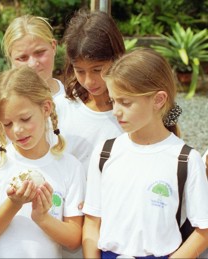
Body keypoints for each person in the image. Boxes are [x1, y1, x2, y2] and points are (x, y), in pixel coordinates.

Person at [82, 48, 208, 258]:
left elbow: (203, 229)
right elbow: (92, 222)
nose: (115, 111)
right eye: (114, 100)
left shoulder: (185, 159)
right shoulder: (105, 152)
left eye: (125, 102)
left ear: (158, 100)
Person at [0, 66, 86, 258]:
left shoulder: (70, 166)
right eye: (7, 124)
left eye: (25, 119)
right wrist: (13, 204)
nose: (17, 130)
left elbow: (74, 240)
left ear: (46, 108)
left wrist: (42, 218)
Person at [54, 9, 125, 172]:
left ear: (117, 57)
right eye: (80, 71)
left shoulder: (132, 109)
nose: (89, 81)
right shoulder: (61, 108)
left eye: (97, 70)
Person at [1, 14, 65, 99]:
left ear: (53, 47)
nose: (32, 64)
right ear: (10, 58)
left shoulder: (77, 99)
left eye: (40, 52)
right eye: (22, 58)